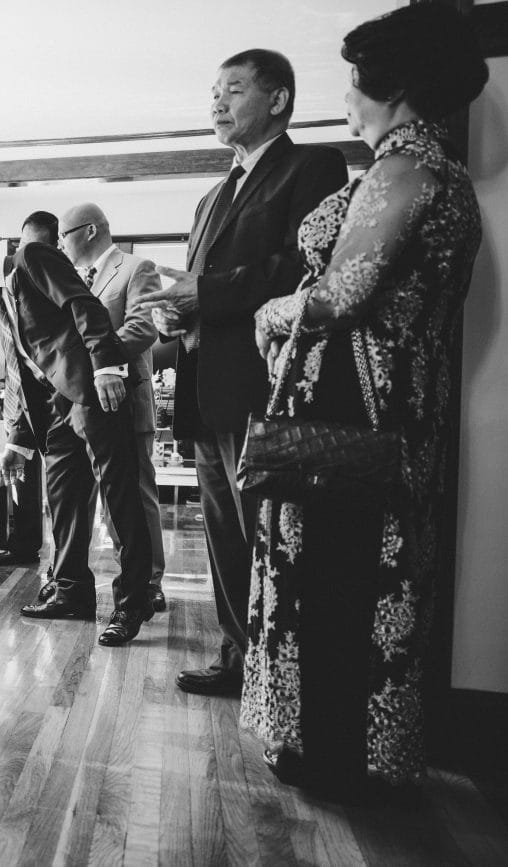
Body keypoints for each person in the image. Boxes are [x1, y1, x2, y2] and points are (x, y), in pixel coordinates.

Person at [241, 4, 487, 797]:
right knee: (348, 574)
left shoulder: (409, 164)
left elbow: (343, 292)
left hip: (360, 409)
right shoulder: (418, 164)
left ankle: (333, 755)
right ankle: (336, 747)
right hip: (381, 402)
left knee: (337, 577)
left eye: (353, 79)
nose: (346, 95)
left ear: (392, 85)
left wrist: (270, 312)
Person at [137, 49, 348, 696]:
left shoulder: (311, 167)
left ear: (279, 99)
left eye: (233, 89)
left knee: (268, 536)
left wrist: (206, 294)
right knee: (225, 533)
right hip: (205, 388)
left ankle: (281, 674)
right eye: (213, 91)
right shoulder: (208, 198)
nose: (217, 102)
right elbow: (196, 291)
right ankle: (238, 655)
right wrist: (177, 320)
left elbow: (301, 268)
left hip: (262, 386)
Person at [0, 233, 155, 647]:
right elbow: (20, 376)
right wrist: (16, 442)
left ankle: (132, 604)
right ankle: (72, 593)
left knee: (120, 501)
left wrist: (106, 367)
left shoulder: (31, 258)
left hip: (94, 394)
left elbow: (84, 303)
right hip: (57, 410)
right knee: (64, 502)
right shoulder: (1, 301)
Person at [58, 204, 166, 613]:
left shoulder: (137, 267)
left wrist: (96, 361)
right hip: (78, 408)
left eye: (64, 235)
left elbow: (143, 327)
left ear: (88, 231)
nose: (60, 245)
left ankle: (148, 581)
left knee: (136, 496)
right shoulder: (67, 281)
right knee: (79, 499)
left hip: (124, 400)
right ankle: (72, 583)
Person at [0, 211, 54, 568]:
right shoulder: (6, 283)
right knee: (22, 477)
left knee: (57, 487)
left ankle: (55, 559)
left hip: (47, 395)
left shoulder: (43, 282)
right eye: (27, 247)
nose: (33, 257)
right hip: (18, 395)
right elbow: (12, 354)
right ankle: (24, 546)